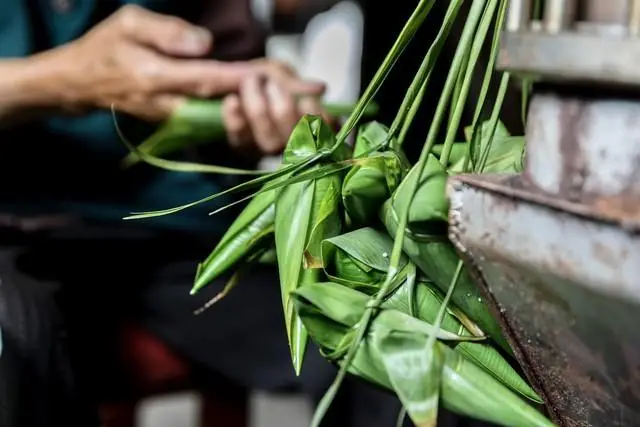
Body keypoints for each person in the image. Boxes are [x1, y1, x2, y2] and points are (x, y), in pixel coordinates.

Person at [0, 1, 415, 426]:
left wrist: (246, 114)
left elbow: (224, 71)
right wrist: (62, 81)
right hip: (14, 229)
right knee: (16, 335)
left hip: (170, 234)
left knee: (384, 334)